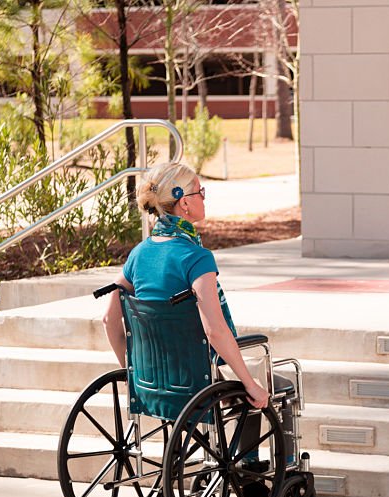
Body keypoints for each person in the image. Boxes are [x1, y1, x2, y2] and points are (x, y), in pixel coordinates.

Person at [103, 161, 296, 461]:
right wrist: (250, 383)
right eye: (200, 192)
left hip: (153, 379)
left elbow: (109, 318)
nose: (204, 197)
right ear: (184, 204)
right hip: (195, 380)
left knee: (243, 384)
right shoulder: (195, 258)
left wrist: (132, 372)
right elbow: (215, 331)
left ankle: (218, 467)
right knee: (271, 389)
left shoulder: (138, 255)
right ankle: (252, 474)